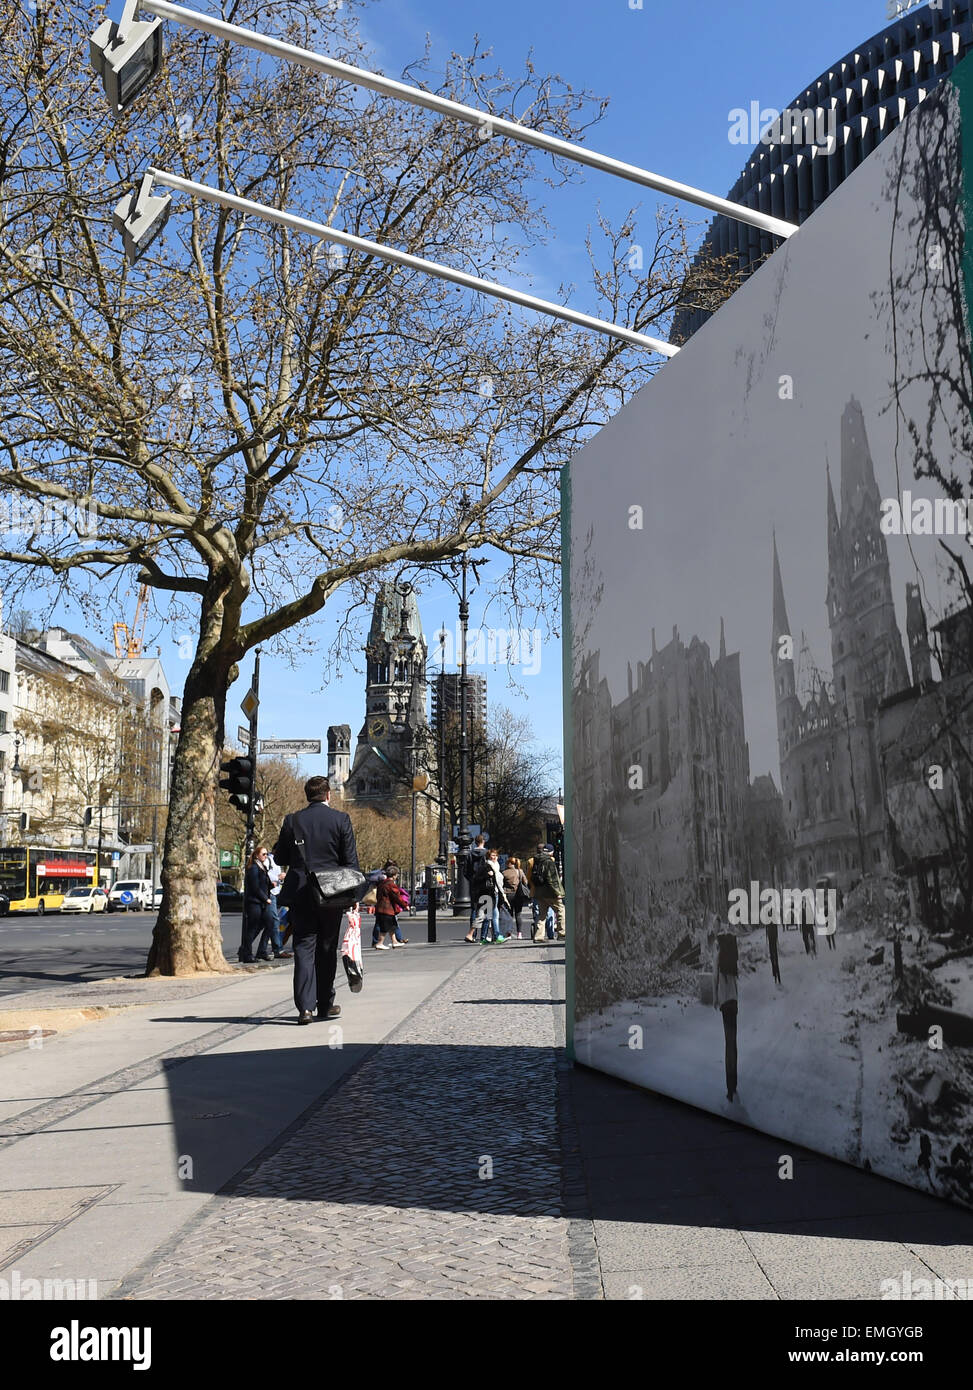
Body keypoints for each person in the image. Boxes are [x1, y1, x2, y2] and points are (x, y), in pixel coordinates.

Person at [273, 775, 361, 1025]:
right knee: (326, 948)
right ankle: (325, 1003)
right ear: (328, 795)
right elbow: (350, 862)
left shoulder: (293, 820)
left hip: (302, 893)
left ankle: (305, 1008)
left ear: (307, 795)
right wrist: (352, 896)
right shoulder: (341, 819)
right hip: (331, 893)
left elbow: (280, 858)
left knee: (303, 948)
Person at [713, 930, 739, 1102]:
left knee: (727, 1042)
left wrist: (715, 998)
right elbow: (737, 977)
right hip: (734, 1001)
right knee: (733, 1042)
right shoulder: (732, 955)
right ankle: (734, 1083)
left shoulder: (718, 957)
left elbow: (714, 978)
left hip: (724, 1002)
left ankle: (729, 1089)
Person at [466, 847, 509, 943]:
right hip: (488, 894)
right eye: (492, 855)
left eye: (496, 855)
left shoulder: (496, 866)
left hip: (494, 893)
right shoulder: (486, 866)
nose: (494, 857)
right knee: (488, 916)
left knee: (487, 916)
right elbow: (477, 879)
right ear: (488, 857)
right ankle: (495, 936)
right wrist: (487, 875)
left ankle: (483, 937)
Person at [242, 847, 276, 963]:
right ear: (257, 855)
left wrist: (272, 885)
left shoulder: (263, 867)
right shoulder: (253, 868)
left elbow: (263, 885)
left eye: (266, 854)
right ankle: (246, 953)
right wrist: (266, 899)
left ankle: (261, 950)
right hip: (255, 903)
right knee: (252, 928)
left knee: (270, 923)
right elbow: (255, 887)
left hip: (262, 903)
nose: (266, 856)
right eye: (263, 854)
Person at [530, 843, 565, 942]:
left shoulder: (536, 860)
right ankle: (562, 933)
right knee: (561, 911)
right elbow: (552, 879)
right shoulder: (549, 862)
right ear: (551, 852)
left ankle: (538, 936)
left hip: (539, 892)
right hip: (550, 892)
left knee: (542, 915)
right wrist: (558, 892)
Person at [374, 867, 408, 949]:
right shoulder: (391, 884)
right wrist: (404, 905)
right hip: (387, 909)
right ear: (394, 875)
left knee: (392, 925)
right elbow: (397, 897)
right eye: (397, 875)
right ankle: (380, 943)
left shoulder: (381, 883)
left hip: (380, 907)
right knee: (384, 927)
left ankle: (394, 941)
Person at [502, 855, 530, 939]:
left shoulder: (504, 872)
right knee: (518, 914)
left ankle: (509, 933)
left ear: (509, 863)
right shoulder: (520, 871)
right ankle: (519, 934)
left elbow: (501, 884)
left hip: (508, 895)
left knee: (509, 915)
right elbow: (526, 882)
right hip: (518, 895)